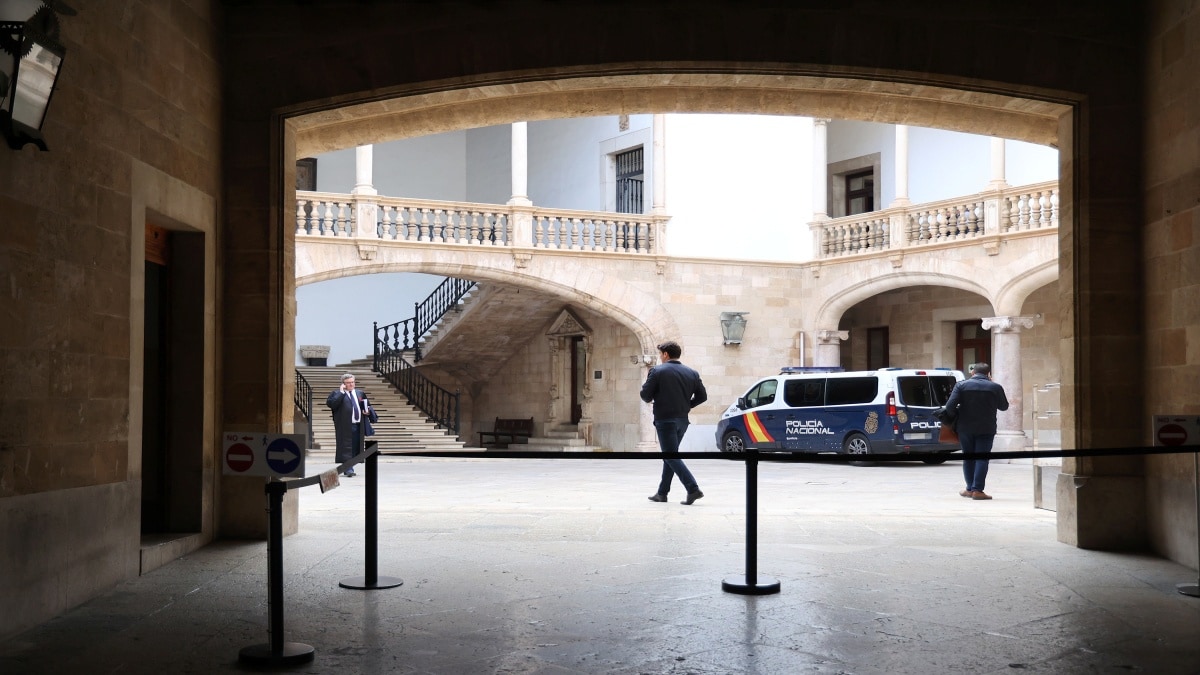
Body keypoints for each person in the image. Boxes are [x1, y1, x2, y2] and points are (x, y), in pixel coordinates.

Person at [640, 341, 707, 505]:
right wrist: (687, 405)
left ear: (665, 354)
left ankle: (692, 489)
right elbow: (702, 397)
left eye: (660, 354)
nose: (660, 357)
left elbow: (645, 395)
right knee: (670, 455)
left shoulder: (657, 371)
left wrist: (651, 396)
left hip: (665, 419)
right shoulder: (692, 373)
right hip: (682, 420)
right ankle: (662, 493)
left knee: (670, 455)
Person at [944, 362, 1009, 500]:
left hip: (965, 428)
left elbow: (949, 407)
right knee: (982, 458)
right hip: (986, 428)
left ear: (973, 373)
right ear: (988, 374)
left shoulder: (961, 386)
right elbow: (1004, 407)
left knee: (968, 458)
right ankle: (977, 490)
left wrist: (958, 415)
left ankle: (969, 489)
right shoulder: (995, 387)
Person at [326, 372, 370, 477]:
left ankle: (350, 466)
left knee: (355, 447)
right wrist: (341, 393)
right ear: (343, 384)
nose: (351, 384)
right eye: (348, 383)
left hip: (358, 425)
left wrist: (367, 411)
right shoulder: (336, 393)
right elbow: (332, 404)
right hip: (345, 426)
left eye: (353, 382)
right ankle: (348, 469)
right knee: (346, 448)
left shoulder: (360, 393)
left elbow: (367, 405)